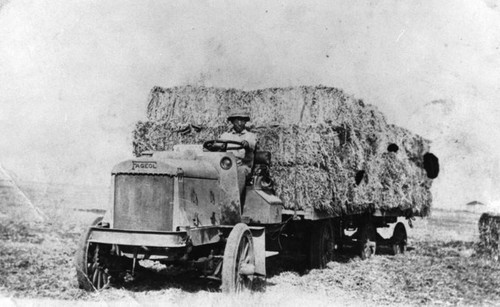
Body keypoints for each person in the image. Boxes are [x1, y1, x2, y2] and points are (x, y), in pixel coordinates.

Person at [220, 108, 257, 197]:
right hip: (227, 166)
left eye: (242, 120)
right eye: (237, 120)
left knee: (241, 172)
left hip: (243, 166)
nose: (240, 123)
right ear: (232, 121)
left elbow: (252, 144)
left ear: (245, 122)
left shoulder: (250, 136)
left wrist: (247, 144)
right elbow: (218, 147)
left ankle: (235, 200)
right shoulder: (225, 136)